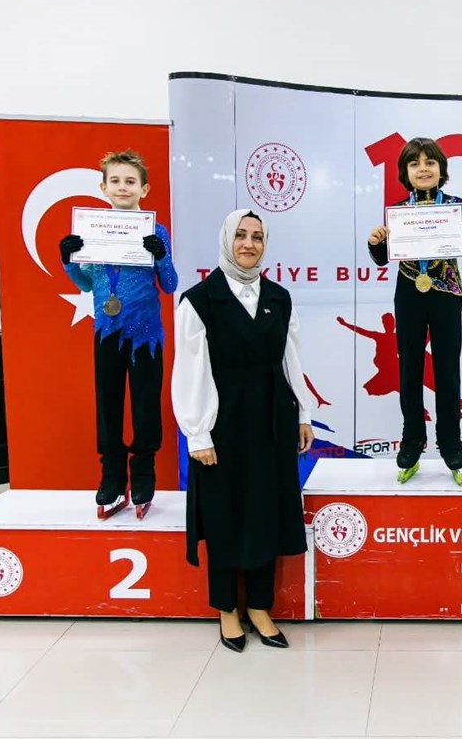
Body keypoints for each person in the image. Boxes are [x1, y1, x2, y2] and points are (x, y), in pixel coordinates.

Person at [172, 209, 316, 653]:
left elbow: (291, 359)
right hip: (223, 422)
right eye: (240, 235)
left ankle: (258, 606)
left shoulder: (279, 297)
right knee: (224, 514)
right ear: (226, 240)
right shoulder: (199, 300)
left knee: (263, 513)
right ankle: (226, 610)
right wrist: (198, 433)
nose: (249, 244)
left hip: (271, 418)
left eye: (257, 237)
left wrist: (303, 413)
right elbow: (190, 371)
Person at [59, 150, 178, 520]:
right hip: (107, 332)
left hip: (147, 336)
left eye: (130, 181)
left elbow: (170, 284)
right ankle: (111, 476)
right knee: (108, 405)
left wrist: (161, 256)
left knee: (145, 406)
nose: (123, 187)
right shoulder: (93, 230)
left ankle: (143, 475)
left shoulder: (156, 231)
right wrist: (68, 260)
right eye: (115, 181)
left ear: (144, 189)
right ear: (103, 187)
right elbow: (86, 282)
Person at [365, 137, 462, 485]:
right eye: (415, 163)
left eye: (430, 162)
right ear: (405, 172)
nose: (423, 169)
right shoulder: (398, 211)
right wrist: (376, 243)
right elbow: (384, 257)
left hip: (447, 295)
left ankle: (450, 443)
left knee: (447, 370)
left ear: (441, 169)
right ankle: (412, 441)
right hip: (409, 294)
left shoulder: (457, 207)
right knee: (410, 369)